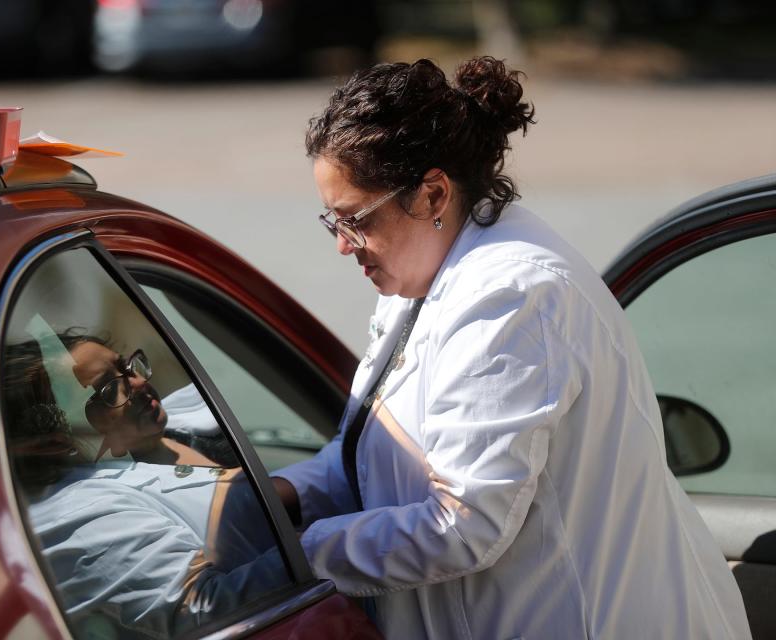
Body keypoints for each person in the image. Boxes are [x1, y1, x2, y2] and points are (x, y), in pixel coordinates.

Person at [271, 57, 751, 639]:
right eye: (333, 223)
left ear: (430, 195)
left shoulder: (510, 296)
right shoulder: (422, 272)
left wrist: (290, 554)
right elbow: (376, 452)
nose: (345, 247)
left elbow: (462, 525)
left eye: (355, 222)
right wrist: (281, 496)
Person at [2, 333, 286, 638]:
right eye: (109, 389)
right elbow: (208, 609)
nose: (136, 383)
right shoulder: (89, 523)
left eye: (125, 366)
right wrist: (320, 546)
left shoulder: (184, 419)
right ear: (55, 441)